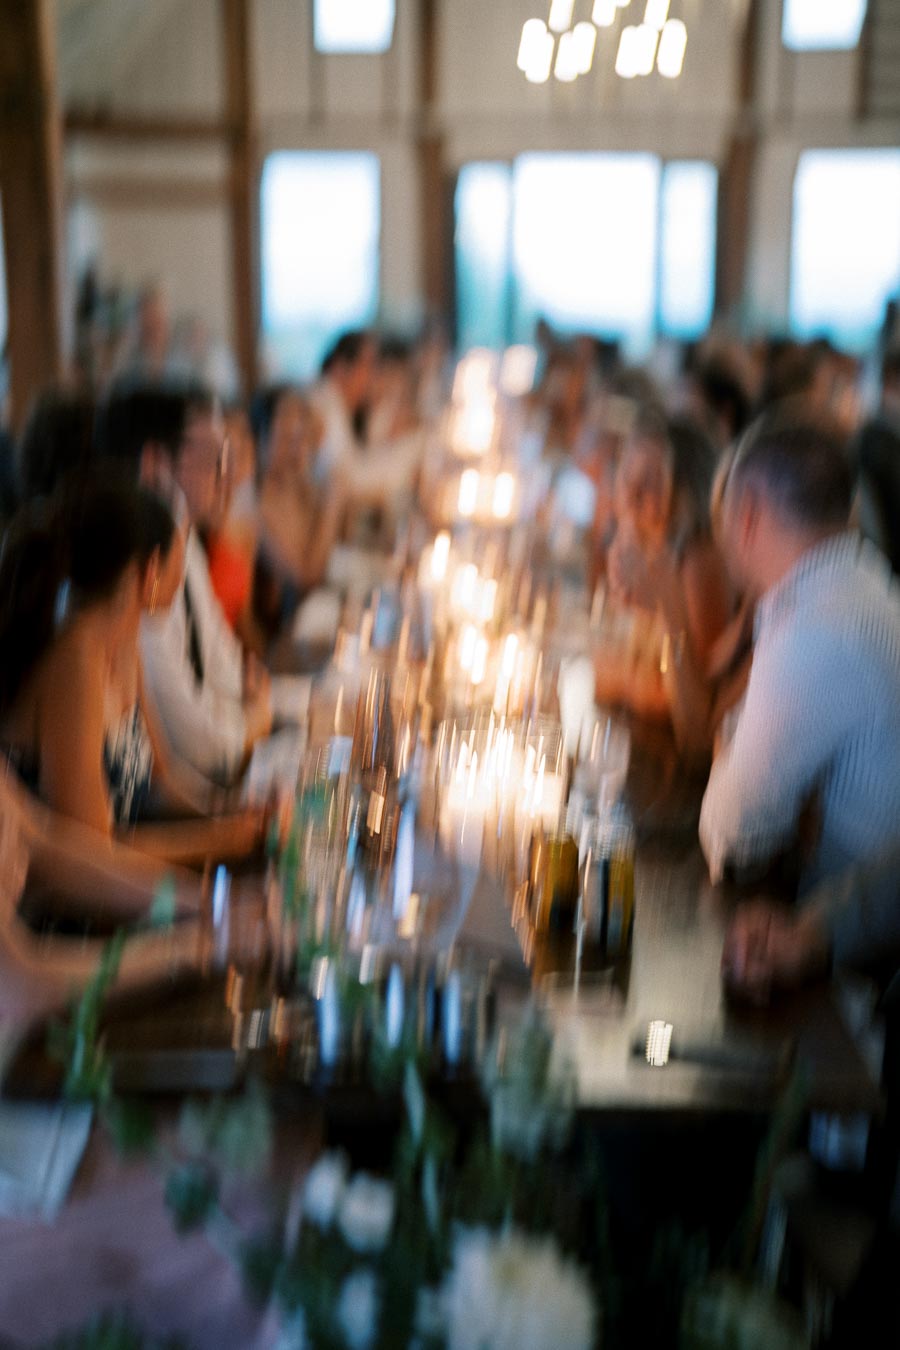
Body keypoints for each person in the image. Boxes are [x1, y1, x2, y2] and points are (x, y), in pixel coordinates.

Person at [0, 478, 263, 864]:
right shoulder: (75, 659)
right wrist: (222, 840)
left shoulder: (124, 646)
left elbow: (158, 783)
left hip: (130, 884)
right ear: (151, 568)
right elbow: (93, 853)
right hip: (86, 907)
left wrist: (234, 811)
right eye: (181, 553)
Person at [699, 406, 900, 893]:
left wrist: (728, 741)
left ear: (746, 514)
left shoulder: (814, 630)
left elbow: (730, 837)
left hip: (844, 944)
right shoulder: (862, 575)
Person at [100, 385, 273, 783]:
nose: (227, 472)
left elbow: (225, 664)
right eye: (214, 456)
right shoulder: (135, 577)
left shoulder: (184, 540)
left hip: (210, 782)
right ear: (156, 463)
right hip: (200, 782)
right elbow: (192, 742)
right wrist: (253, 721)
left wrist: (255, 714)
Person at [599, 412, 735, 749]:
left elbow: (698, 728)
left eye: (651, 480)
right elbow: (604, 676)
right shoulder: (637, 546)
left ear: (685, 493)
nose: (632, 494)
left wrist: (665, 606)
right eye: (627, 475)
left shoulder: (698, 558)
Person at [255, 384, 348, 626]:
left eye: (301, 437)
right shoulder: (259, 504)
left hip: (312, 621)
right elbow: (307, 580)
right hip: (279, 637)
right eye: (286, 439)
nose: (298, 451)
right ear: (260, 439)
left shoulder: (298, 484)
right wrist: (332, 505)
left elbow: (335, 545)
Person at [311, 329, 423, 505]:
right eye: (369, 365)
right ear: (340, 367)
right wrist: (409, 446)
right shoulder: (325, 402)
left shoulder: (350, 411)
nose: (374, 376)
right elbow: (351, 481)